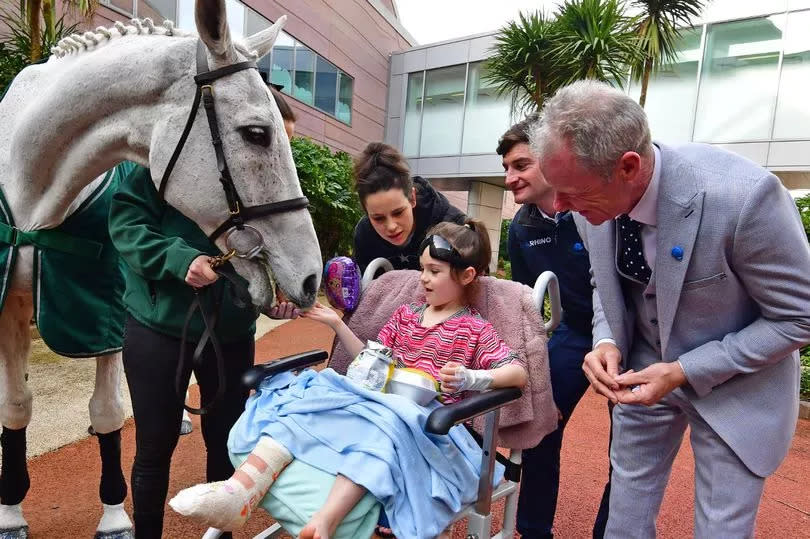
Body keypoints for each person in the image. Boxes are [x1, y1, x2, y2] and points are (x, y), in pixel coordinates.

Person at [530, 80, 810, 538]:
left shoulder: (745, 198)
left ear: (628, 166)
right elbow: (605, 280)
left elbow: (800, 315)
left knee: (721, 530)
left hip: (737, 385)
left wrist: (683, 369)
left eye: (572, 194)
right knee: (623, 521)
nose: (560, 208)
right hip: (640, 372)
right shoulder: (585, 198)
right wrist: (606, 338)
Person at [169, 219, 528, 539]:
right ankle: (242, 490)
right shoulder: (407, 315)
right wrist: (338, 323)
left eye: (434, 271)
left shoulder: (474, 328)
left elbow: (517, 373)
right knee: (314, 388)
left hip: (425, 425)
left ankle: (324, 523)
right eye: (422, 269)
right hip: (379, 403)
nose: (423, 279)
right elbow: (371, 360)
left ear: (466, 276)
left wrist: (472, 378)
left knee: (382, 428)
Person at [497, 115, 611, 538]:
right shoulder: (522, 228)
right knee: (539, 426)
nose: (510, 177)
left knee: (631, 447)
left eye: (521, 165)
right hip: (572, 332)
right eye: (506, 168)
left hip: (626, 333)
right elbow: (529, 306)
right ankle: (532, 530)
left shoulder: (593, 210)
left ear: (550, 160)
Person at [352, 142, 466, 273]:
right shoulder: (364, 235)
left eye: (398, 213)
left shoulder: (455, 227)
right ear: (367, 212)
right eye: (378, 218)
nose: (391, 227)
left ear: (412, 197)